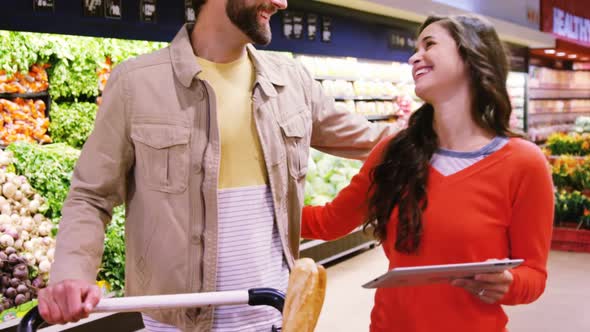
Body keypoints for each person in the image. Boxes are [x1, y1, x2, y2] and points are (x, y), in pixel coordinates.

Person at [37, 0, 395, 331]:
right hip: (178, 323)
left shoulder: (291, 82)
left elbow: (379, 141)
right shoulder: (137, 83)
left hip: (275, 315)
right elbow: (91, 195)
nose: (283, 3)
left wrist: (442, 116)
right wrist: (72, 272)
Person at [301, 14, 554, 332]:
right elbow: (327, 222)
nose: (414, 57)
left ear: (471, 56)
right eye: (415, 47)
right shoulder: (396, 151)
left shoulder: (524, 163)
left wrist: (508, 283)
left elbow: (534, 274)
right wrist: (250, 209)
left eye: (429, 44)